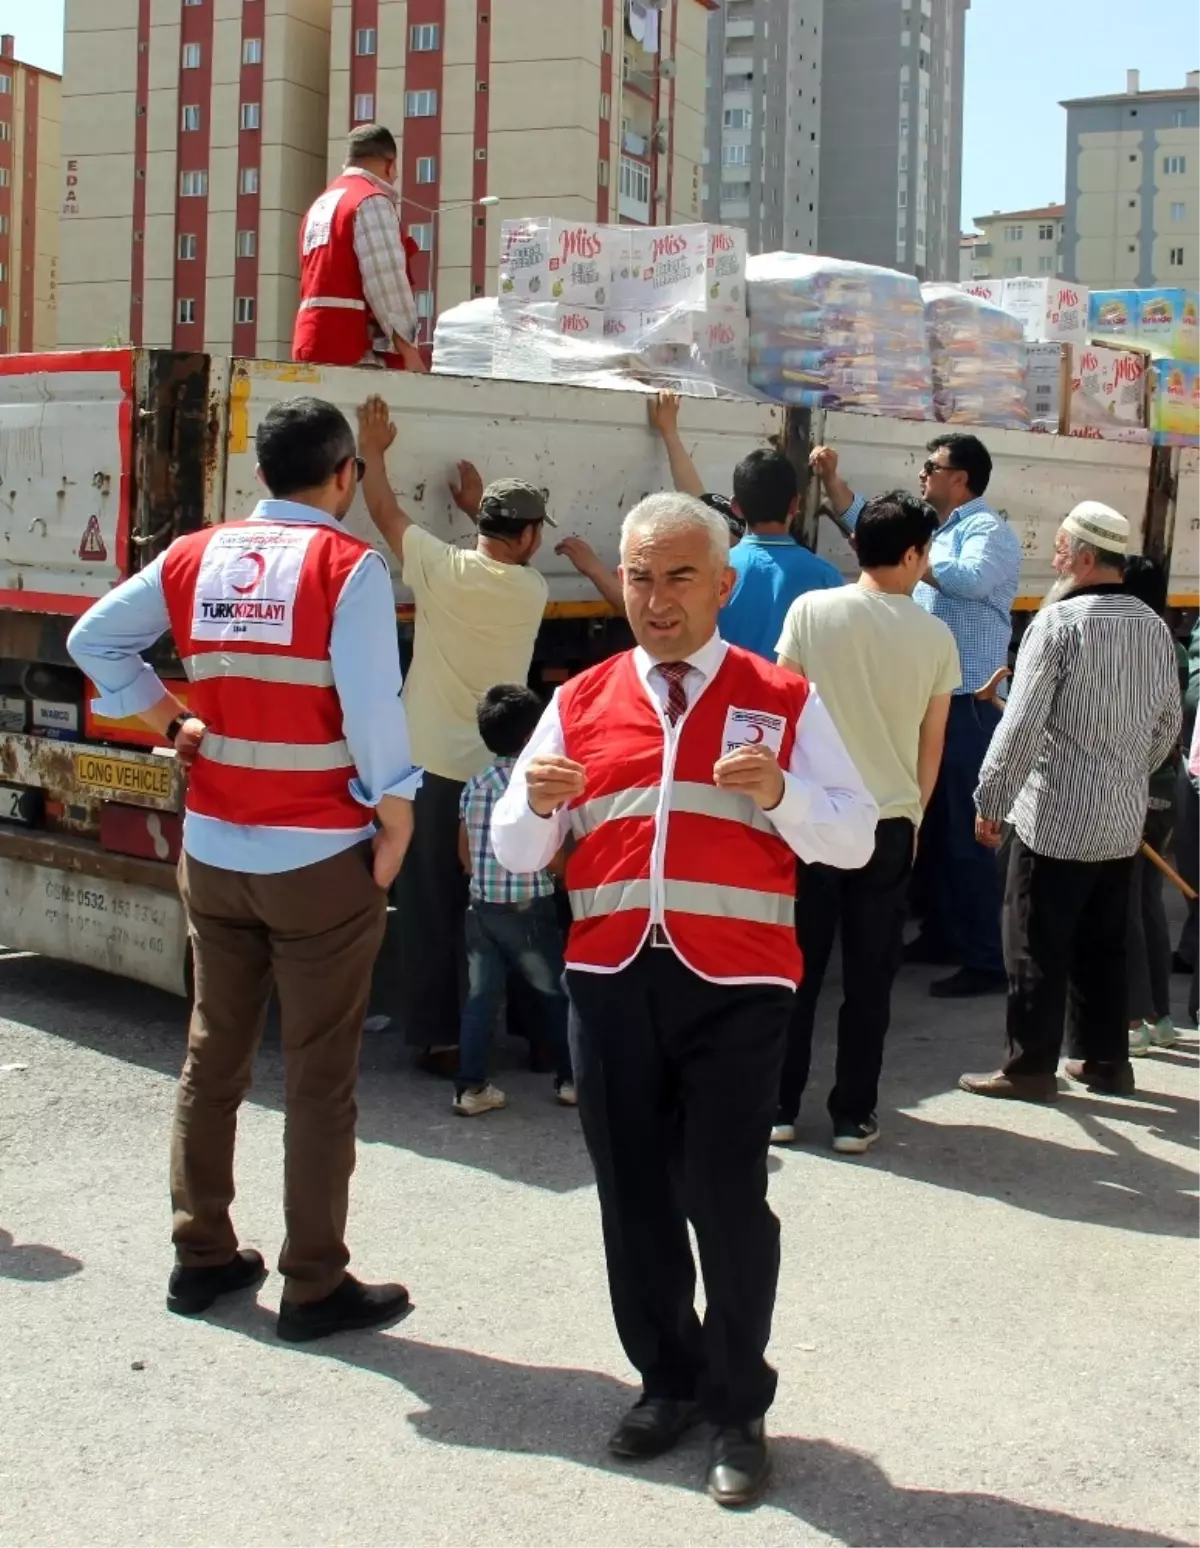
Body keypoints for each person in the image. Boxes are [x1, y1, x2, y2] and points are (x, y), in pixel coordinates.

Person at [492, 493, 877, 1509]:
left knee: (724, 1197)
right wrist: (532, 807)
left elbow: (855, 837)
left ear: (723, 584)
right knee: (634, 1198)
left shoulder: (781, 696)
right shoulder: (579, 699)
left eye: (676, 578)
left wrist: (781, 797)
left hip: (737, 987)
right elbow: (516, 852)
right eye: (637, 577)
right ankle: (669, 1380)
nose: (655, 601)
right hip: (613, 980)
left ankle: (739, 1404)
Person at [66, 397, 421, 1340]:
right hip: (318, 864)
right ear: (344, 474)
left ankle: (203, 1255)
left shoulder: (194, 556)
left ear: (262, 474)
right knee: (318, 1077)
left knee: (211, 1056)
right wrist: (396, 823)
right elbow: (373, 711)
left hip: (214, 853)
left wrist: (165, 719)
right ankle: (314, 1285)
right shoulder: (349, 569)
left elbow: (90, 639)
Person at [961, 503, 1181, 1103]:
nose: (1054, 560)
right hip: (1118, 816)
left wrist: (992, 798)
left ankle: (1029, 1066)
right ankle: (1105, 1061)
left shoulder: (1057, 625)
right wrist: (1125, 771)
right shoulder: (1154, 627)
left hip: (1054, 816)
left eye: (1060, 550)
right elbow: (1168, 727)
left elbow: (1022, 723)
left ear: (1085, 559)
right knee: (1103, 943)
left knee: (1034, 941)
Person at [356, 396, 551, 1072]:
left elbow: (385, 513)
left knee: (431, 905)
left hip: (429, 769)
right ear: (528, 538)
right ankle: (538, 1034)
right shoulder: (532, 593)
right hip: (498, 772)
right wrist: (480, 510)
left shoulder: (440, 571)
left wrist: (374, 450)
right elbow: (505, 555)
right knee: (519, 897)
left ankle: (438, 1038)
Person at [773, 492, 960, 1153]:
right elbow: (929, 741)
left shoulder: (810, 613)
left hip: (810, 816)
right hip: (885, 820)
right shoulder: (935, 634)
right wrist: (914, 815)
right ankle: (854, 1113)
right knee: (868, 980)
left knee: (795, 967)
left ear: (857, 548)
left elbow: (780, 711)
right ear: (912, 554)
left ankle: (779, 1107)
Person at [811, 433, 1022, 998]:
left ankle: (983, 957)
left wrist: (916, 556)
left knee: (963, 829)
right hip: (929, 697)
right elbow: (880, 528)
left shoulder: (987, 533)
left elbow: (970, 580)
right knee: (927, 824)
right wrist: (836, 485)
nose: (923, 473)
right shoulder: (934, 528)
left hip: (967, 703)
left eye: (933, 466)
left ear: (963, 478)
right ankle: (942, 933)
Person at [556, 393, 839, 645]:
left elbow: (651, 616)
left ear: (736, 508)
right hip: (792, 702)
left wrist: (594, 568)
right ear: (796, 504)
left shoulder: (717, 571)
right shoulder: (827, 578)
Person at [455, 684, 575, 1116]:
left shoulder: (475, 784)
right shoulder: (537, 785)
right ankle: (570, 1080)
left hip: (481, 908)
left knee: (480, 999)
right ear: (532, 736)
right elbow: (556, 856)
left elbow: (464, 854)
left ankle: (471, 1088)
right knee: (557, 994)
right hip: (528, 908)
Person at [293, 124, 427, 373]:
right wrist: (409, 353)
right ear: (390, 164)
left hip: (311, 344)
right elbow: (386, 282)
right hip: (355, 352)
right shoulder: (371, 200)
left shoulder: (320, 205)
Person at [1121, 556, 1184, 1055]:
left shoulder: (1144, 644)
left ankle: (1134, 1020)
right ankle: (1159, 1015)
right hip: (1165, 786)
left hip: (1142, 789)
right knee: (1147, 904)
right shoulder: (1171, 644)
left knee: (1128, 906)